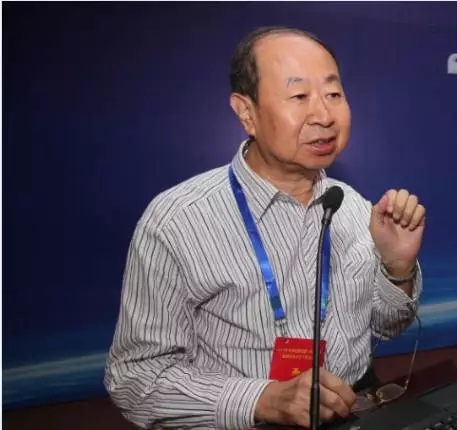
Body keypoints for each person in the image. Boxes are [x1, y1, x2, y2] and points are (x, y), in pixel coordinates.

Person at [105, 26, 427, 430]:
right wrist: (262, 399)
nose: (324, 116)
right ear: (247, 113)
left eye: (333, 94)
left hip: (353, 409)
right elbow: (135, 378)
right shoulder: (176, 221)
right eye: (299, 96)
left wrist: (396, 270)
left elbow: (387, 326)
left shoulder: (352, 206)